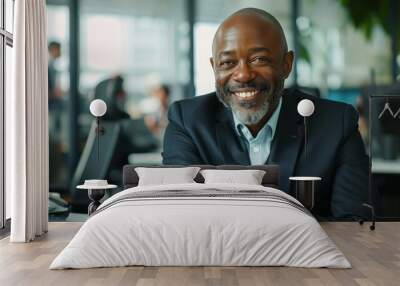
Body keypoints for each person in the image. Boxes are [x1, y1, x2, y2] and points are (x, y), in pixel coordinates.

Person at [162, 8, 369, 219]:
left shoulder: (335, 123)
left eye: (258, 59)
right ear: (214, 68)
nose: (243, 74)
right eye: (228, 63)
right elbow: (182, 217)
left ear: (286, 64)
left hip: (307, 252)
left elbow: (355, 223)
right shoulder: (187, 121)